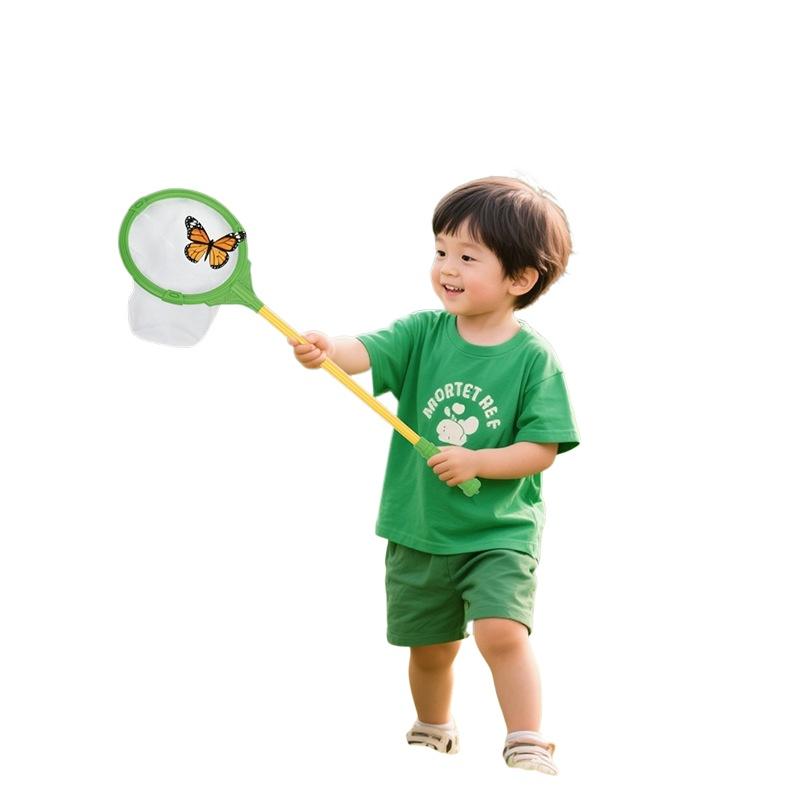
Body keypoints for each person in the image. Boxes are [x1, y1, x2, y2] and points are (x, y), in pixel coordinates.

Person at [288, 176, 580, 774]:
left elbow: (542, 448)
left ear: (521, 279)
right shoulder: (423, 332)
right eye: (441, 250)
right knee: (431, 648)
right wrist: (327, 348)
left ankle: (526, 738)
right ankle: (433, 731)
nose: (447, 267)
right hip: (420, 527)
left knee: (501, 632)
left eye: (468, 257)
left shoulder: (533, 359)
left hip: (497, 531)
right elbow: (365, 350)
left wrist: (478, 462)